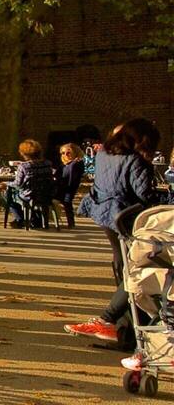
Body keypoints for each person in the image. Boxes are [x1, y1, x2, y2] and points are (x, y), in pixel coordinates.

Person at [66, 118, 174, 351]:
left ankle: (124, 331)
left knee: (123, 265)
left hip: (105, 213)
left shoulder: (104, 154)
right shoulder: (136, 161)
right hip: (129, 217)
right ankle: (112, 321)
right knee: (138, 270)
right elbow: (144, 195)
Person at [7, 139, 58, 229]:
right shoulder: (48, 163)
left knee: (8, 195)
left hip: (30, 195)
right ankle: (35, 219)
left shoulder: (23, 166)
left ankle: (20, 219)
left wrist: (6, 183)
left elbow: (18, 184)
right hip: (46, 194)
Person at [59, 143, 88, 229]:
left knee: (67, 203)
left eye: (68, 152)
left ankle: (71, 223)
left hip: (67, 188)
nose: (65, 155)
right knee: (67, 204)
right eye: (63, 153)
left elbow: (72, 180)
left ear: (75, 152)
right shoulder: (66, 164)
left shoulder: (75, 164)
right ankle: (70, 222)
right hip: (64, 187)